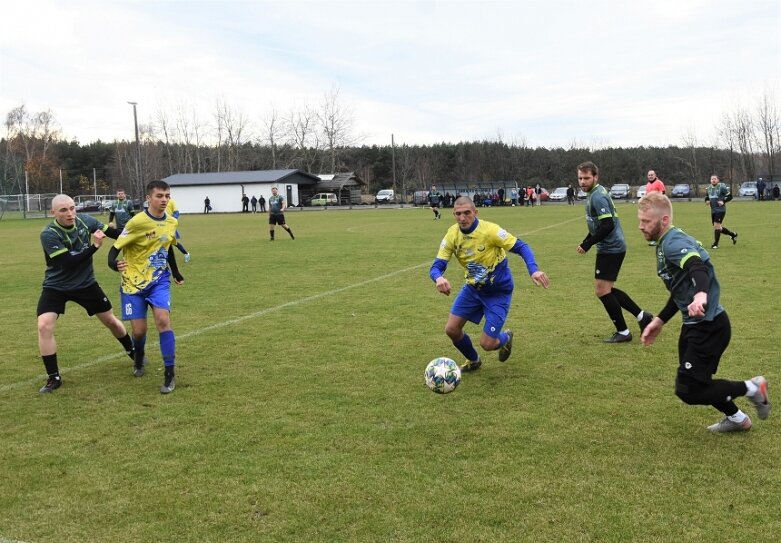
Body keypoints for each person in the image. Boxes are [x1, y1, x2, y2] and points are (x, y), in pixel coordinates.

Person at [637, 192, 770, 432]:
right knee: (697, 382)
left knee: (688, 390)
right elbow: (679, 289)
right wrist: (659, 320)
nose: (641, 226)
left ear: (664, 220)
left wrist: (701, 294)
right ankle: (739, 419)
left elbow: (696, 267)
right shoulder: (665, 241)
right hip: (695, 325)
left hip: (709, 326)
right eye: (640, 221)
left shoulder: (673, 243)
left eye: (646, 221)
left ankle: (753, 388)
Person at [429, 196, 550, 372]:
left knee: (487, 343)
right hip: (473, 289)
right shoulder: (452, 235)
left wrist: (533, 270)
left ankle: (505, 338)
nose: (462, 218)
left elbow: (521, 246)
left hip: (498, 292)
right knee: (452, 329)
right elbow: (436, 266)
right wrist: (438, 278)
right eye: (458, 214)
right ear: (453, 214)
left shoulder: (490, 231)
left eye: (467, 213)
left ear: (475, 212)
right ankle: (473, 360)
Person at [36, 194, 136, 393]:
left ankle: (134, 353)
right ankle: (54, 377)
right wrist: (95, 246)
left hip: (86, 284)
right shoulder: (48, 233)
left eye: (72, 208)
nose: (70, 213)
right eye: (64, 210)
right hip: (56, 286)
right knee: (44, 325)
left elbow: (116, 234)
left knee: (111, 321)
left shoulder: (86, 221)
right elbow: (67, 263)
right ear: (53, 213)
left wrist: (142, 233)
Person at [108, 180, 185, 394]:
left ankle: (169, 374)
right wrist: (113, 264)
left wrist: (176, 272)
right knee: (139, 331)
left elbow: (166, 247)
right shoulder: (136, 222)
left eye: (167, 196)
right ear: (148, 198)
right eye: (159, 196)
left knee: (163, 320)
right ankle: (138, 358)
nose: (164, 200)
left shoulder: (171, 222)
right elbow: (114, 250)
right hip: (132, 283)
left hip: (159, 280)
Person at [576, 161, 653, 343]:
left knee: (602, 291)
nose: (582, 182)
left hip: (611, 248)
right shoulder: (595, 193)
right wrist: (586, 241)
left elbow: (607, 225)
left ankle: (624, 331)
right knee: (606, 289)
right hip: (610, 247)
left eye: (586, 178)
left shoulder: (598, 196)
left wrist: (588, 244)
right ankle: (643, 316)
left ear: (595, 177)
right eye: (580, 178)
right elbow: (598, 225)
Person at [704, 174, 738, 249]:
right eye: (712, 179)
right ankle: (733, 235)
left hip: (721, 210)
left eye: (715, 179)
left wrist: (723, 201)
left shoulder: (721, 187)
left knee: (716, 226)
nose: (713, 180)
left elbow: (730, 196)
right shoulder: (709, 188)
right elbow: (707, 197)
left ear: (718, 180)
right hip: (713, 211)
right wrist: (707, 201)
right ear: (710, 180)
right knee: (718, 228)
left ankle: (715, 244)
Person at [167, 196, 191, 263]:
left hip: (170, 226)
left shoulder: (171, 201)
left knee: (172, 243)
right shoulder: (159, 202)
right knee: (164, 242)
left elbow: (177, 213)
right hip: (161, 226)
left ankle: (186, 254)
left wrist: (172, 220)